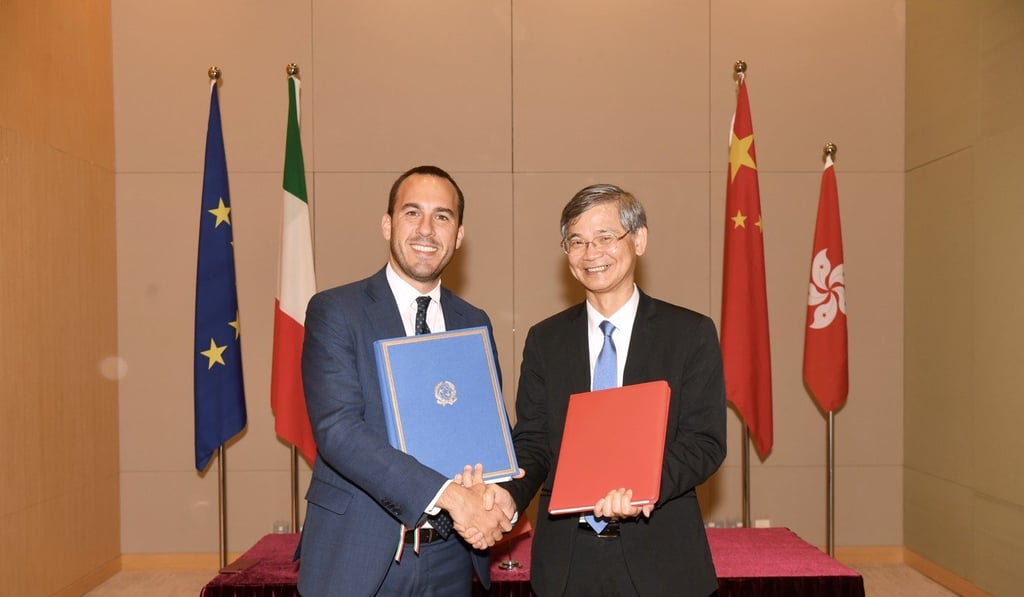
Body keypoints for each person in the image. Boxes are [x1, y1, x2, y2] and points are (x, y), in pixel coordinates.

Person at [296, 165, 514, 596]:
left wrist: (497, 498)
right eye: (412, 213)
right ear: (387, 223)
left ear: (459, 235)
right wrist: (450, 496)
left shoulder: (474, 323)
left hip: (452, 558)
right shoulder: (336, 311)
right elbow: (338, 431)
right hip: (360, 558)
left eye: (443, 217)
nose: (427, 230)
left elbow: (486, 432)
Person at [501, 183, 727, 596]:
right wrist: (506, 497)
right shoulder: (545, 340)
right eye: (577, 241)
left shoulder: (689, 334)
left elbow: (704, 442)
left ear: (638, 239)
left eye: (605, 237)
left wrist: (644, 484)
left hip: (664, 562)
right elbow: (533, 441)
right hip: (567, 566)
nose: (592, 253)